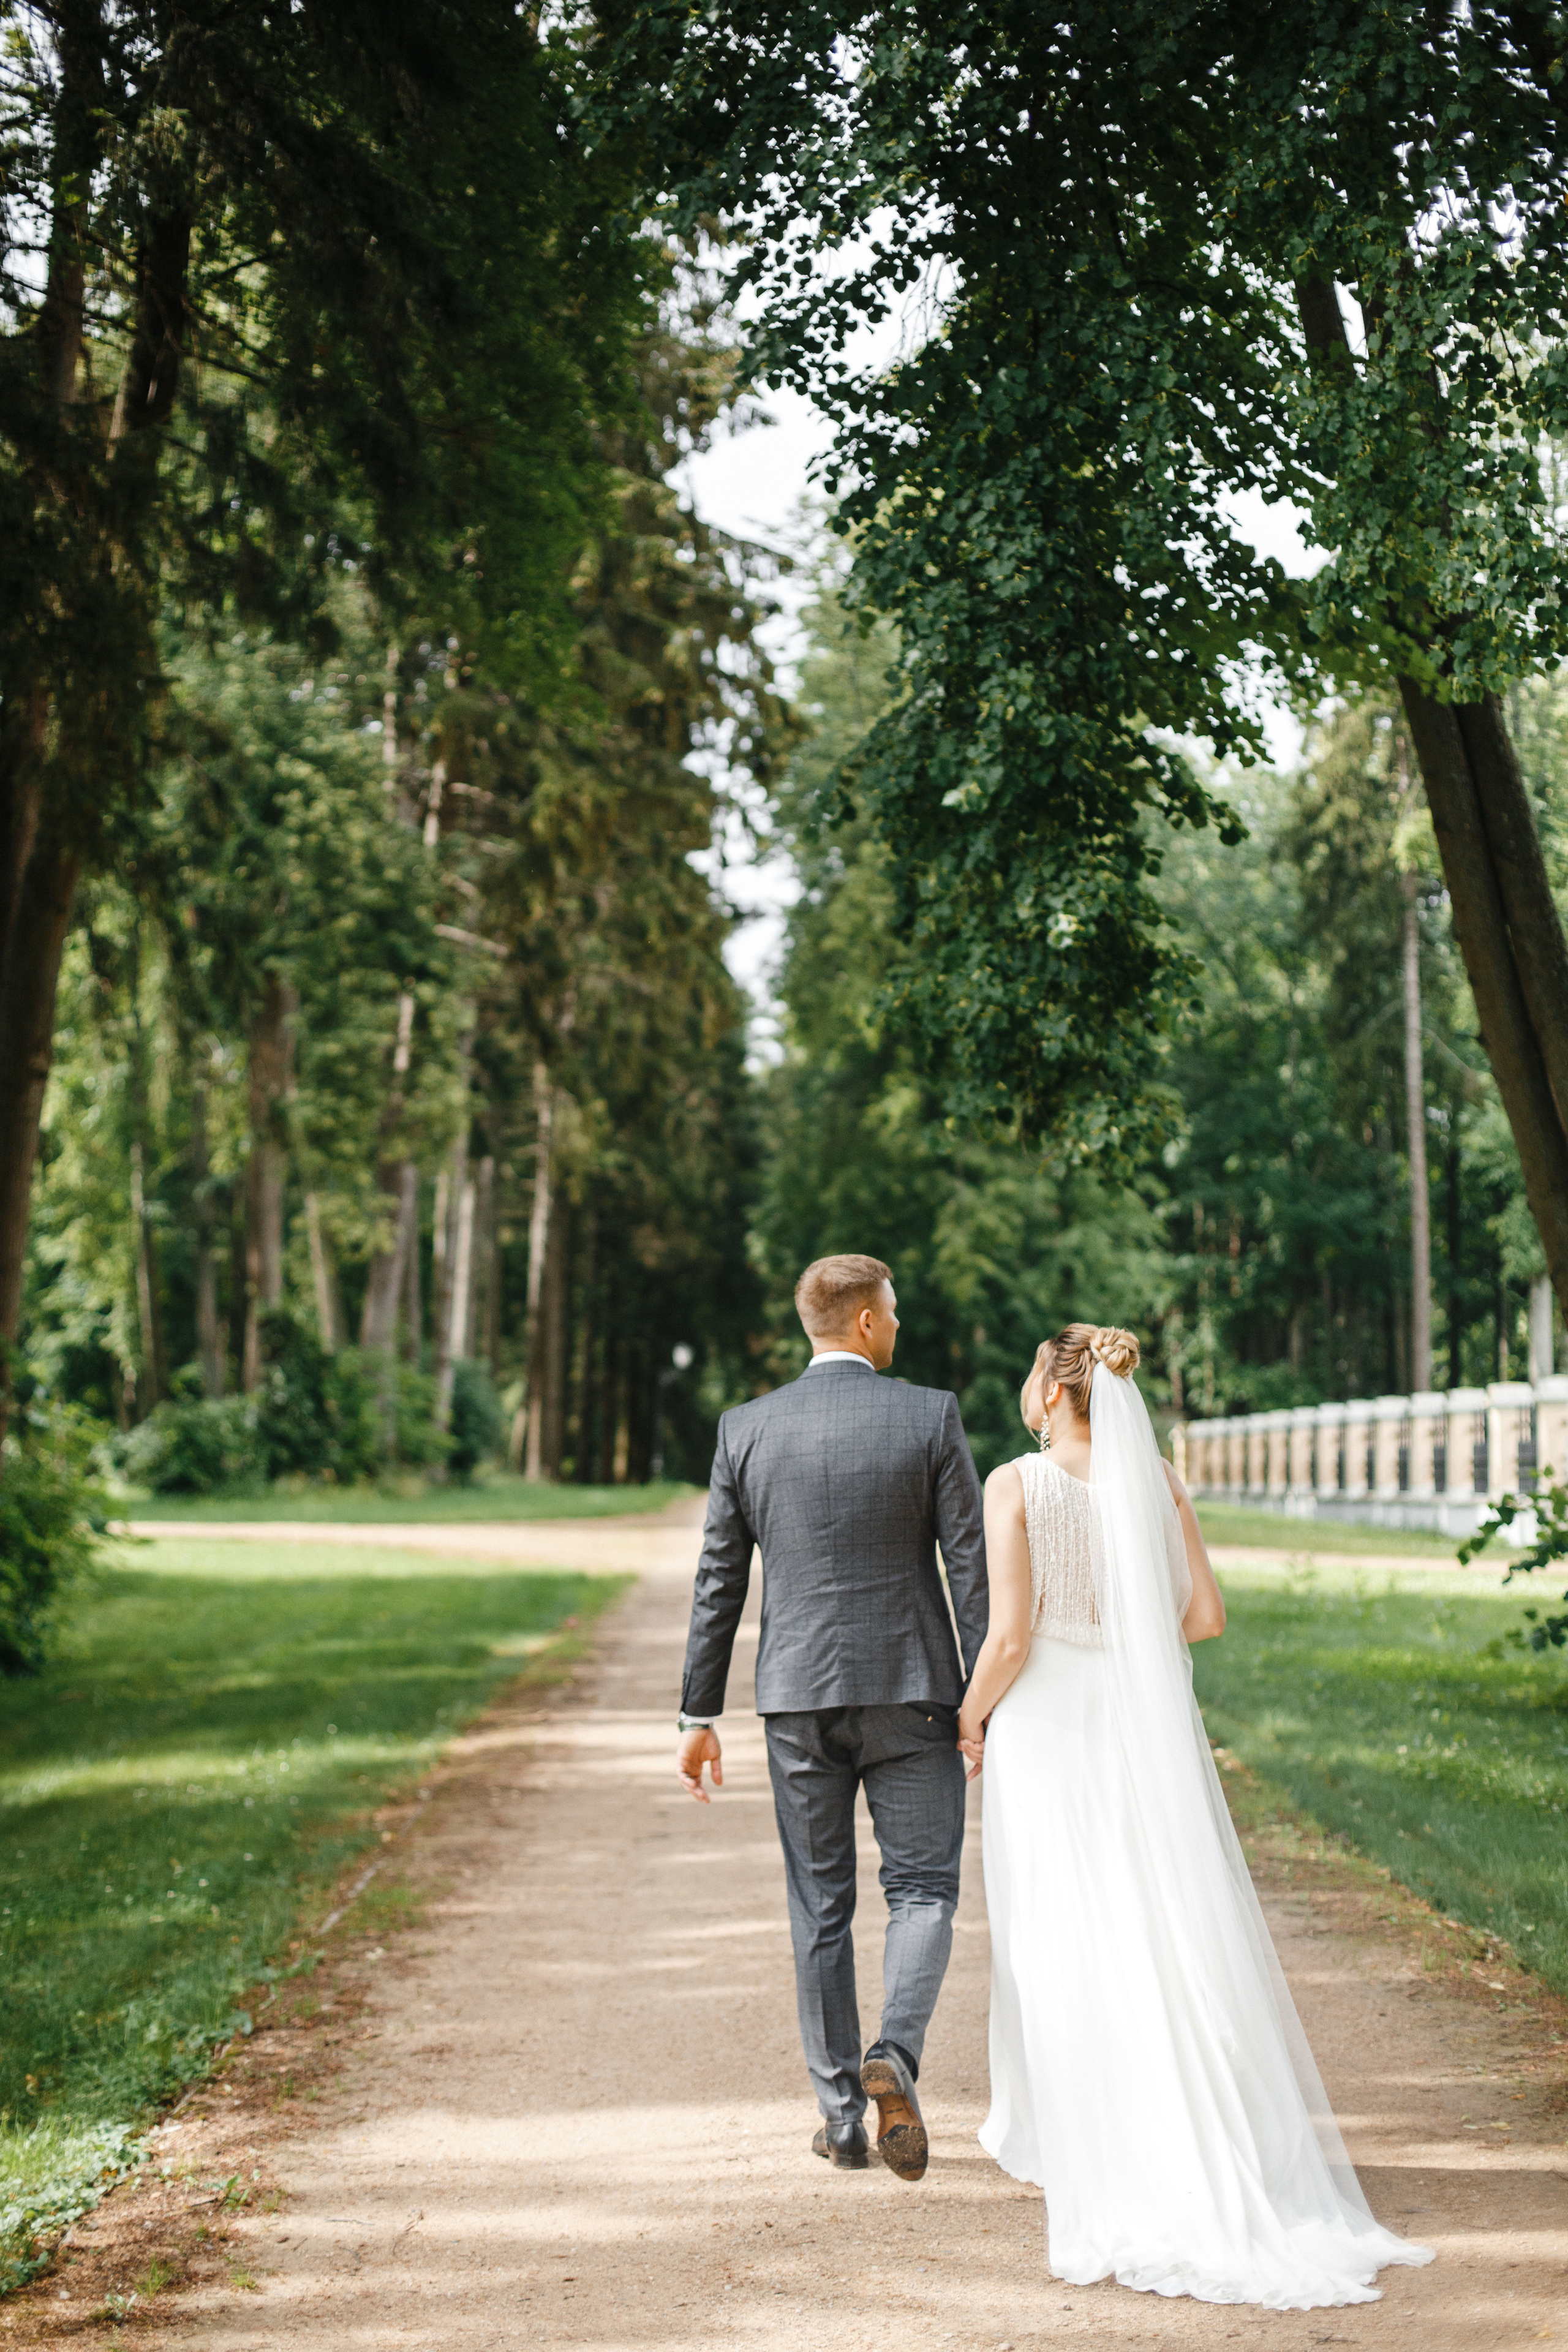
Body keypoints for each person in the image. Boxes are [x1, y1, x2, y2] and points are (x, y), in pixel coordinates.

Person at [959, 1323, 1433, 2310]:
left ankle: (1077, 2130)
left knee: (1062, 1924)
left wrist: (969, 1718)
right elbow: (1205, 1617)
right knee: (1157, 1918)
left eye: (1028, 1375)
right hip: (1134, 1721)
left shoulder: (1015, 1483)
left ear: (1052, 1392)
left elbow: (1008, 1637)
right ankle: (1196, 2127)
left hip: (1046, 1723)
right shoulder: (1158, 1481)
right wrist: (1126, 1629)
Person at [676, 1253, 987, 2179]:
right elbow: (969, 1567)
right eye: (891, 1311)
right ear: (862, 1322)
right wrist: (983, 1700)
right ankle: (896, 2050)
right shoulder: (929, 1414)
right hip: (915, 1692)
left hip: (797, 1698)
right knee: (924, 1889)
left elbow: (718, 1581)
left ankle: (844, 2120)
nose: (898, 1325)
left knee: (820, 1906)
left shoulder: (746, 1428)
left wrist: (698, 1711)